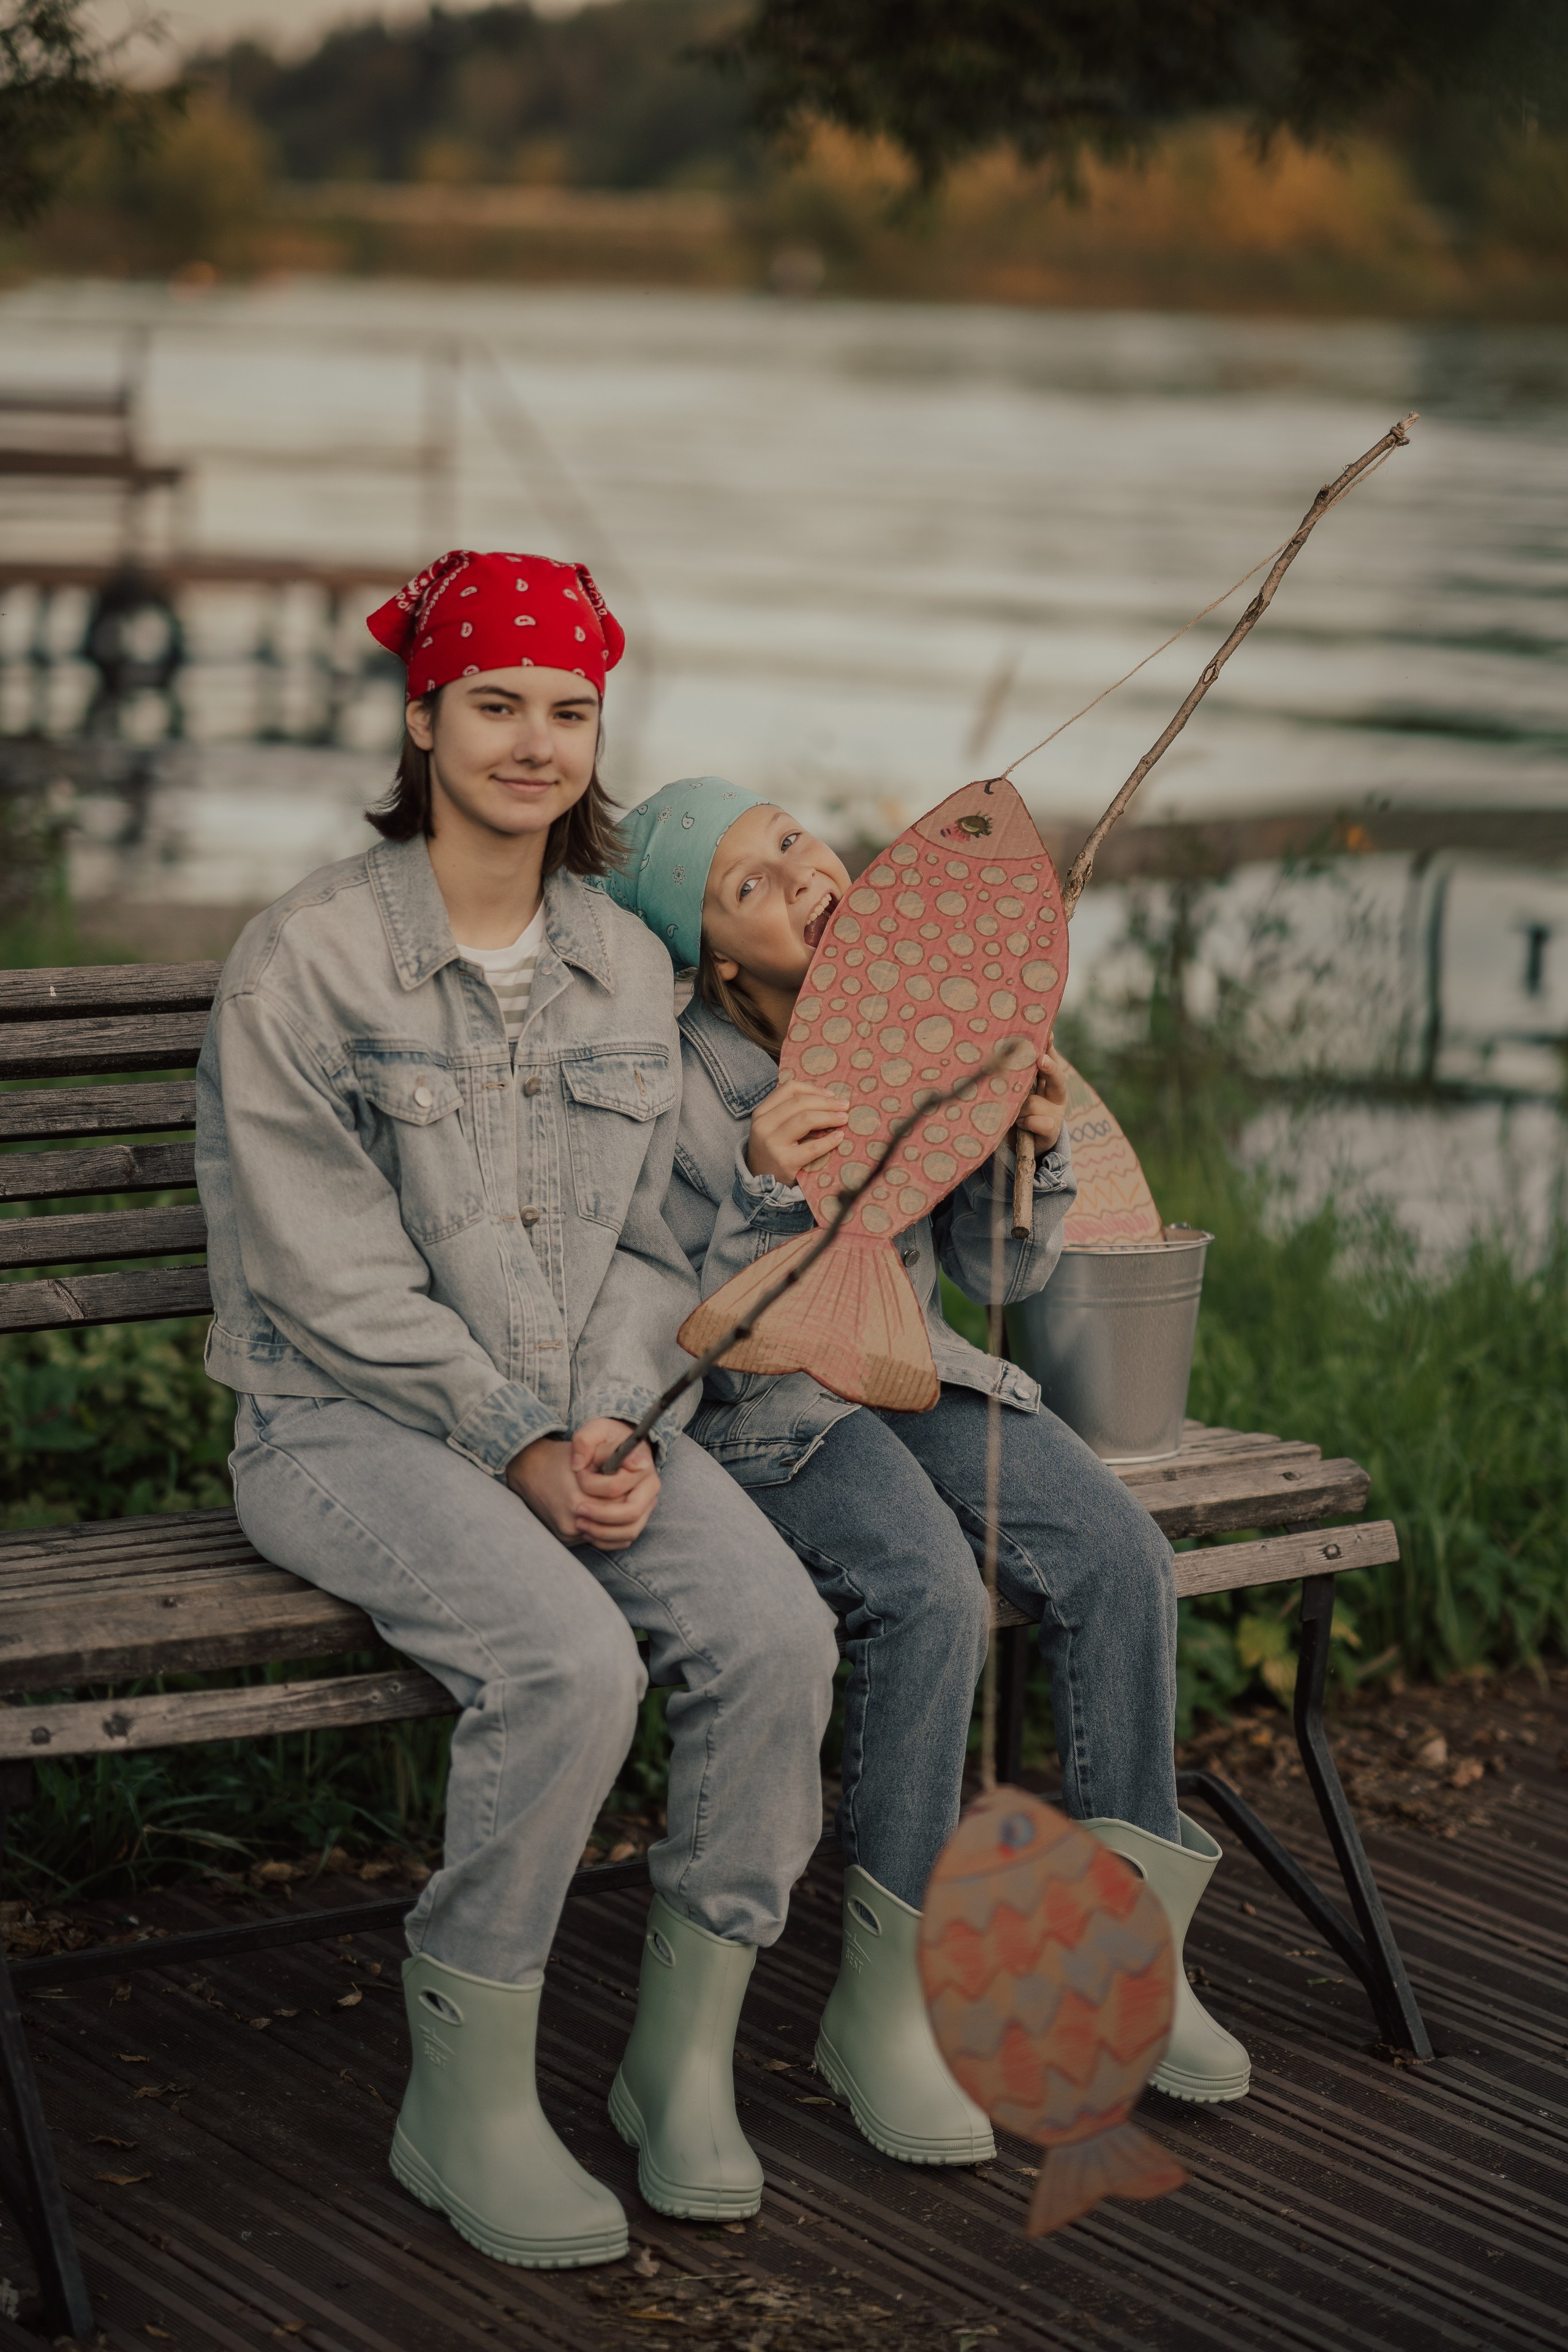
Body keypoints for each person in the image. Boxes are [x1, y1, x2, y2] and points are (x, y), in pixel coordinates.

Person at [195, 560, 840, 2271]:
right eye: (495, 705)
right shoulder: (309, 962)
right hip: (341, 1429)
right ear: (425, 721)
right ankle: (463, 2103)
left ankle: (678, 2066)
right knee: (571, 1663)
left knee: (776, 1633)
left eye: (568, 712)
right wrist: (517, 1441)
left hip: (585, 1413)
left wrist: (615, 1417)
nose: (533, 743)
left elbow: (651, 1243)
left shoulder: (626, 964)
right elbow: (326, 1286)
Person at [605, 777, 1251, 2163]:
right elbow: (692, 1344)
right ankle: (882, 2007)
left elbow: (994, 1277)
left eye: (790, 839)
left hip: (922, 1375)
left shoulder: (913, 1018)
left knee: (1118, 1557)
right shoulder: (678, 1083)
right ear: (717, 958)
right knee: (924, 1592)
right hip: (768, 1409)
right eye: (749, 885)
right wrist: (767, 1185)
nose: (799, 874)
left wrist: (1031, 1153)